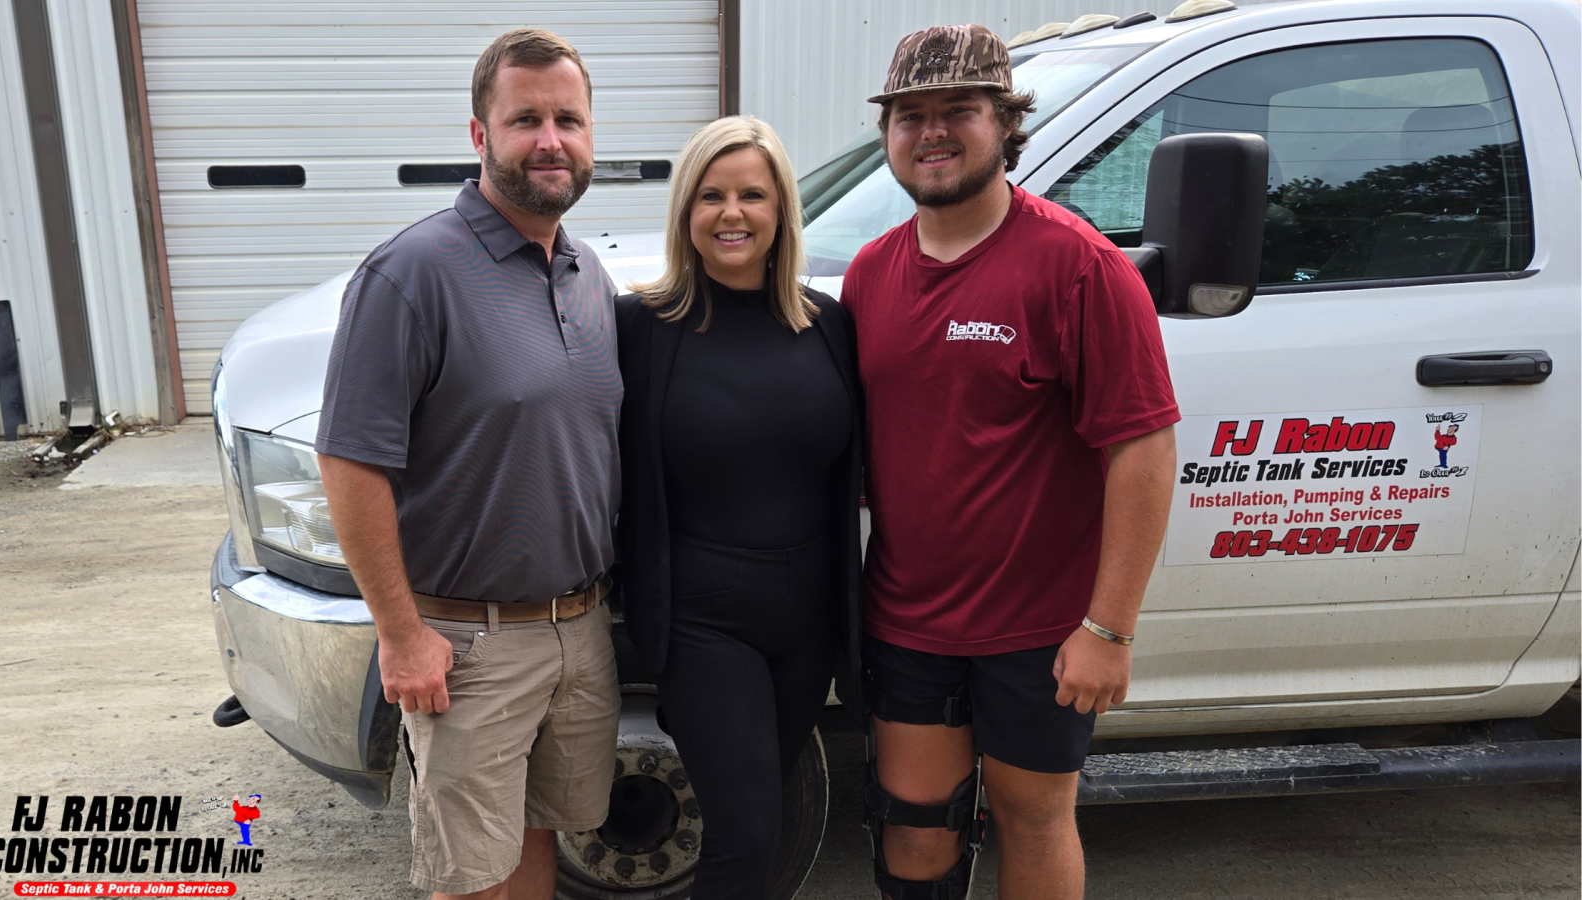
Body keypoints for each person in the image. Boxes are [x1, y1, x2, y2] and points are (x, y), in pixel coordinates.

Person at [842, 25, 1179, 900]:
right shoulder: (870, 275)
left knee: (1033, 822)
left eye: (959, 110)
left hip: (1040, 633)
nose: (932, 132)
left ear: (1006, 124)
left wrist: (1109, 630)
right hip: (907, 621)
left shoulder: (1081, 268)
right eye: (910, 115)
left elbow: (1141, 448)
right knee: (914, 834)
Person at [314, 29, 622, 900]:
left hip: (579, 628)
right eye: (526, 119)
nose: (551, 139)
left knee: (534, 848)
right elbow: (350, 462)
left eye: (569, 118)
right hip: (469, 643)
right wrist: (402, 634)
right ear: (480, 136)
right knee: (469, 876)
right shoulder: (411, 274)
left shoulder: (586, 273)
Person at [613, 115, 863, 900]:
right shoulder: (641, 329)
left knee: (765, 824)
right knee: (746, 835)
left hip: (808, 624)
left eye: (753, 194)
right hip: (702, 621)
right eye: (711, 195)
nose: (732, 213)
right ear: (685, 210)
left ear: (782, 208)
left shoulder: (830, 326)